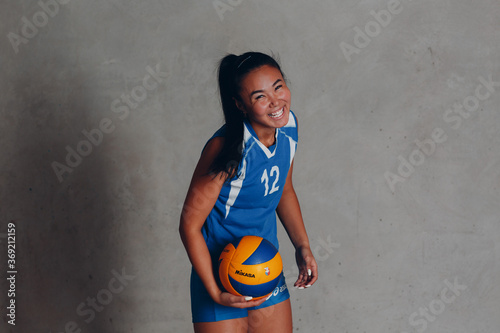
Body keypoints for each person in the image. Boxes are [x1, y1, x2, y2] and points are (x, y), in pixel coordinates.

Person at [179, 51, 318, 333]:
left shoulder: (290, 126)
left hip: (264, 267)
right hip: (219, 271)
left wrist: (302, 246)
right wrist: (215, 293)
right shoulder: (226, 148)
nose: (275, 101)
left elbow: (284, 190)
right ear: (240, 105)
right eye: (259, 96)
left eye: (278, 86)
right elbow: (189, 226)